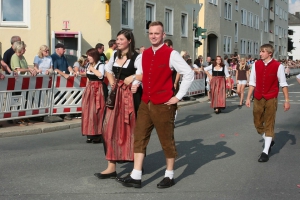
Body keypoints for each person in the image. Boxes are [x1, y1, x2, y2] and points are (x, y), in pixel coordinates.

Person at [117, 21, 194, 189]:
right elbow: (142, 74)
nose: (153, 36)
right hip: (146, 101)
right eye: (151, 33)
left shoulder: (171, 54)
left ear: (163, 35)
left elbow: (188, 73)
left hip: (164, 103)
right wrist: (137, 84)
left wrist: (178, 97)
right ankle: (136, 175)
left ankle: (169, 175)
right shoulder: (143, 55)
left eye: (156, 33)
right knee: (139, 137)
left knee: (166, 139)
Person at [94, 30, 143, 179]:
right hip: (116, 97)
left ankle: (136, 167)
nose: (118, 41)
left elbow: (144, 73)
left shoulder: (137, 57)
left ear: (129, 40)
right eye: (117, 39)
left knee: (132, 130)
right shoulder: (115, 55)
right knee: (109, 129)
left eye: (121, 39)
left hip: (131, 97)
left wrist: (134, 79)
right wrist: (113, 83)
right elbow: (108, 71)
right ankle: (111, 167)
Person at [245, 44, 290, 162]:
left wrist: (286, 101)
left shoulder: (278, 66)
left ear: (269, 53)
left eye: (262, 51)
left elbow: (283, 84)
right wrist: (248, 97)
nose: (260, 54)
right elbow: (252, 82)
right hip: (258, 96)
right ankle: (269, 139)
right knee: (257, 122)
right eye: (260, 51)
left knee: (269, 122)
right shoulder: (256, 64)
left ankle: (265, 152)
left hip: (271, 98)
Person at [81, 48, 107, 144]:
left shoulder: (101, 65)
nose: (88, 58)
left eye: (90, 56)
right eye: (88, 56)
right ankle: (89, 133)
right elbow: (88, 78)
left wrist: (92, 69)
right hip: (90, 89)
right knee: (87, 111)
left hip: (98, 89)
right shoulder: (88, 65)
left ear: (95, 56)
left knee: (97, 111)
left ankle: (98, 134)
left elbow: (101, 75)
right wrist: (86, 89)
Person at [51, 43, 76, 120]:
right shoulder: (53, 57)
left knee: (64, 96)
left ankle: (65, 113)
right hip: (57, 80)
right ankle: (59, 113)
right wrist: (64, 75)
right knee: (58, 97)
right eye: (63, 49)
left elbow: (68, 66)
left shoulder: (63, 57)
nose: (65, 50)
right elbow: (55, 69)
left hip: (64, 81)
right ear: (57, 49)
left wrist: (72, 72)